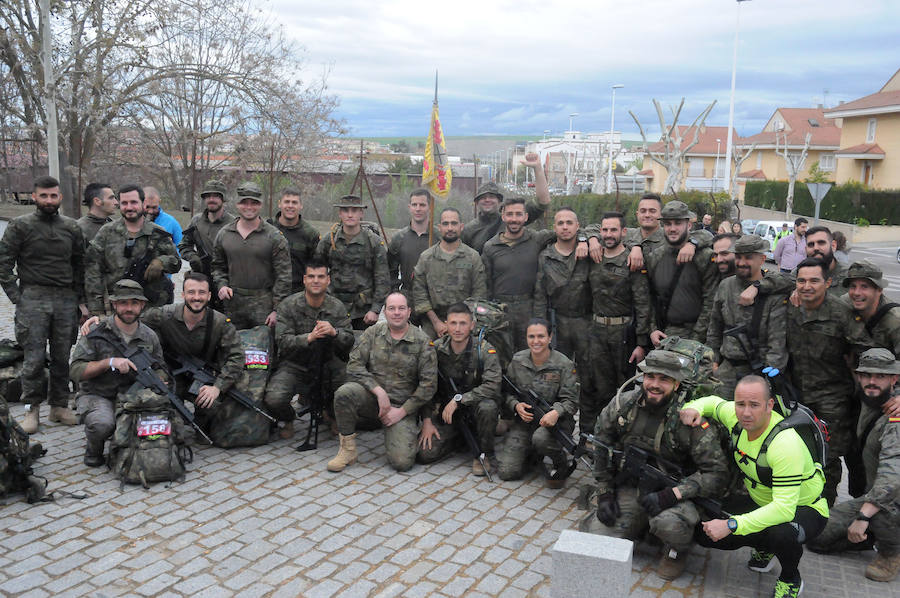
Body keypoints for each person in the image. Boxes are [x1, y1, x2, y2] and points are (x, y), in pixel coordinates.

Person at [681, 375, 828, 598]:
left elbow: (783, 509)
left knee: (781, 534)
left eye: (754, 405)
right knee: (704, 531)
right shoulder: (737, 416)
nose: (746, 413)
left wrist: (731, 524)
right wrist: (692, 407)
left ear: (769, 405)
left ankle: (790, 578)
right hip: (761, 499)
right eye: (740, 404)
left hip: (803, 508)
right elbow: (712, 402)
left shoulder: (785, 444)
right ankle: (764, 547)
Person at [591, 349, 730, 580]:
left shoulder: (690, 420)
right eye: (650, 377)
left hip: (677, 495)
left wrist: (673, 494)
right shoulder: (623, 405)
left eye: (664, 379)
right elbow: (601, 444)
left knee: (668, 525)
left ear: (676, 384)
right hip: (635, 488)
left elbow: (716, 473)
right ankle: (640, 526)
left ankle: (676, 550)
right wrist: (604, 492)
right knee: (596, 536)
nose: (655, 384)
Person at [80, 272, 244, 425]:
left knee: (215, 409)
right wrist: (100, 320)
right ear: (183, 295)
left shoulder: (220, 322)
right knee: (166, 415)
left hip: (203, 379)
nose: (196, 297)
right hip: (171, 378)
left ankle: (202, 421)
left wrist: (217, 387)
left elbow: (236, 356)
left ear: (209, 296)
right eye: (191, 292)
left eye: (201, 293)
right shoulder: (165, 315)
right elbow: (129, 315)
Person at [0, 175, 85, 433]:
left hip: (65, 300)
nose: (49, 200)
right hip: (33, 298)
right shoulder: (19, 226)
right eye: (44, 195)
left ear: (60, 197)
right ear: (34, 197)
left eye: (53, 195)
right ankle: (31, 410)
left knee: (61, 357)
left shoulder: (71, 227)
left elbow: (80, 265)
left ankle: (59, 406)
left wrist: (79, 300)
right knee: (34, 359)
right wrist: (18, 297)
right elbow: (4, 264)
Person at [807, 348, 900, 582]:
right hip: (875, 493)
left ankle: (891, 553)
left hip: (892, 493)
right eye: (866, 375)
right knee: (818, 537)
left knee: (881, 504)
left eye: (880, 376)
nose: (872, 382)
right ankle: (873, 535)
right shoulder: (868, 399)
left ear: (894, 379)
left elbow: (892, 479)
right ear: (857, 376)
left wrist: (863, 517)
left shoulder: (896, 417)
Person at [327, 293, 437, 473]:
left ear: (409, 312)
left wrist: (401, 412)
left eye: (401, 308)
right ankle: (347, 449)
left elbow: (428, 385)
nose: (396, 313)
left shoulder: (423, 342)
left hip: (403, 407)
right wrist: (378, 391)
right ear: (385, 312)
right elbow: (354, 365)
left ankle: (393, 428)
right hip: (374, 400)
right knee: (345, 393)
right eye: (391, 309)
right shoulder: (373, 333)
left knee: (402, 462)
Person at [786, 257, 860, 506]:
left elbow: (864, 348)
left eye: (814, 281)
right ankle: (799, 503)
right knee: (797, 452)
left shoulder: (841, 314)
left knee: (828, 457)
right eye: (801, 281)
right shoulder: (790, 307)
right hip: (798, 396)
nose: (807, 286)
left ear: (828, 282)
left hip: (833, 398)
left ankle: (823, 508)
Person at [70, 280, 165, 466]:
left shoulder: (149, 336)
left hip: (134, 397)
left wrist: (161, 380)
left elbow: (160, 367)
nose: (128, 308)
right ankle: (94, 450)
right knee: (102, 423)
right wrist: (108, 363)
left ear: (142, 305)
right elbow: (75, 370)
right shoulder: (97, 331)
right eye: (123, 303)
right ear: (114, 304)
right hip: (98, 395)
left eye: (134, 303)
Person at [264, 260, 354, 439]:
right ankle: (289, 418)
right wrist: (308, 338)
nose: (316, 281)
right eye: (311, 276)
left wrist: (335, 333)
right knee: (274, 398)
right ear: (304, 279)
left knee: (349, 389)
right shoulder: (288, 305)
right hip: (295, 364)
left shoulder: (336, 307)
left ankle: (332, 414)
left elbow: (349, 340)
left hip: (329, 364)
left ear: (328, 280)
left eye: (321, 277)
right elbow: (282, 341)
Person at [417, 303, 501, 476]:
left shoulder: (484, 350)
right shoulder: (436, 349)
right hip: (447, 414)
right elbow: (426, 386)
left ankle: (484, 453)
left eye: (463, 323)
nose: (457, 329)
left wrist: (460, 400)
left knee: (488, 407)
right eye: (453, 323)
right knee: (424, 454)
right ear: (446, 324)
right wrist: (427, 420)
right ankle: (459, 438)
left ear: (472, 325)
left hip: (475, 408)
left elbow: (492, 386)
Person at [584, 211, 650, 433]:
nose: (608, 234)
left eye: (613, 230)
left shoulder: (632, 259)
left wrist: (641, 343)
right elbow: (586, 230)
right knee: (600, 388)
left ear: (624, 232)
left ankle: (624, 435)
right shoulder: (594, 257)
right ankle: (602, 435)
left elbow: (643, 303)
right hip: (597, 332)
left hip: (623, 333)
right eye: (604, 230)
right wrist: (591, 238)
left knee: (625, 389)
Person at [497, 318, 578, 488]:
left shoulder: (564, 364)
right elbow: (506, 392)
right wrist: (515, 405)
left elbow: (571, 400)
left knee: (541, 438)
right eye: (531, 336)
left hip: (556, 423)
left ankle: (561, 462)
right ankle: (533, 454)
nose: (536, 341)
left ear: (550, 337)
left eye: (541, 336)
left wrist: (556, 412)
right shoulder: (518, 361)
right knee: (507, 472)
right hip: (524, 423)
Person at [706, 235, 788, 399]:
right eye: (738, 257)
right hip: (726, 370)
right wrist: (712, 361)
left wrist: (769, 379)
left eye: (748, 257)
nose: (742, 262)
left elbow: (777, 343)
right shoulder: (725, 286)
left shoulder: (773, 293)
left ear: (762, 259)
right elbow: (715, 327)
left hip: (757, 372)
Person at [85, 184, 181, 314]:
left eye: (134, 202)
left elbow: (176, 262)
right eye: (124, 203)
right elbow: (93, 273)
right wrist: (96, 311)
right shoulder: (107, 232)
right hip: (117, 309)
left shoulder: (158, 233)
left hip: (152, 310)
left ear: (143, 203)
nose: (129, 207)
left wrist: (161, 262)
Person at [533, 207, 592, 414]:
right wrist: (540, 327)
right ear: (554, 227)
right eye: (560, 223)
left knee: (588, 378)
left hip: (586, 323)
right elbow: (540, 293)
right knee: (557, 375)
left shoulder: (589, 250)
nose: (565, 227)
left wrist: (587, 239)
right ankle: (559, 422)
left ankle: (587, 430)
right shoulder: (546, 256)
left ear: (577, 226)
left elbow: (609, 232)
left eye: (569, 223)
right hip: (558, 322)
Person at [211, 181, 291, 330]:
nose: (249, 207)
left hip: (264, 306)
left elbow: (284, 277)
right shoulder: (224, 234)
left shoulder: (274, 237)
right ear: (237, 204)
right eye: (244, 202)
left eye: (254, 203)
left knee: (263, 350)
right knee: (232, 348)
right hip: (233, 303)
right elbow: (217, 266)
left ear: (260, 205)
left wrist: (276, 309)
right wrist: (222, 285)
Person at [482, 197, 555, 353]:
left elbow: (567, 232)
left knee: (530, 354)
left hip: (528, 309)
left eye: (518, 214)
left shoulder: (536, 239)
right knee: (500, 356)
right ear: (503, 216)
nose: (514, 219)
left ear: (526, 217)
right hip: (500, 311)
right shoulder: (490, 247)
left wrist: (585, 239)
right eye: (509, 214)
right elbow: (486, 285)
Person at [646, 200, 717, 345]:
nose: (672, 228)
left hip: (696, 337)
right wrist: (652, 329)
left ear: (689, 225)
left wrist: (696, 339)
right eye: (667, 224)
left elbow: (711, 301)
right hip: (663, 335)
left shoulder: (704, 256)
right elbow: (650, 297)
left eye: (678, 223)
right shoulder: (655, 257)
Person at [315, 195, 389, 330]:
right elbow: (316, 272)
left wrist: (375, 309)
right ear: (340, 213)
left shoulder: (374, 242)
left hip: (362, 310)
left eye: (354, 210)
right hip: (333, 306)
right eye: (345, 210)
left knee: (361, 347)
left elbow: (382, 278)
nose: (350, 215)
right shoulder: (329, 241)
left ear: (361, 213)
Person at [412, 207, 487, 339]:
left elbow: (479, 293)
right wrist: (436, 323)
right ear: (439, 227)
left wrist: (463, 323)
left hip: (464, 321)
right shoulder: (426, 258)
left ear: (461, 226)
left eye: (454, 223)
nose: (450, 228)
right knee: (425, 352)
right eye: (446, 224)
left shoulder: (473, 257)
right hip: (434, 321)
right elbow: (420, 294)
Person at [461, 152, 550, 253]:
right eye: (483, 197)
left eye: (491, 196)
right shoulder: (468, 230)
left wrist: (537, 168)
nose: (487, 200)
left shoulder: (512, 219)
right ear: (476, 202)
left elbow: (543, 202)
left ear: (499, 201)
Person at [387, 188, 438, 319]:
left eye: (422, 205)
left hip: (434, 298)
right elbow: (390, 270)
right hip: (408, 297)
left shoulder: (439, 237)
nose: (418, 209)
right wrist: (395, 294)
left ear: (430, 208)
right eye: (414, 205)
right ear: (409, 207)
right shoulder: (399, 238)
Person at [178, 179, 235, 287]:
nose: (211, 199)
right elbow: (183, 245)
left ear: (223, 199)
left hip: (226, 280)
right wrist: (193, 256)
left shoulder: (234, 224)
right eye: (208, 196)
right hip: (201, 278)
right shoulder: (196, 221)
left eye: (216, 196)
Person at [266, 186, 320, 294]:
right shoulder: (267, 229)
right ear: (280, 204)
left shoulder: (310, 234)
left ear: (301, 206)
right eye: (287, 202)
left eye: (294, 202)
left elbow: (316, 268)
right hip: (269, 292)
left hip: (298, 294)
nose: (290, 206)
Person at [844, 260, 900, 354]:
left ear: (879, 290)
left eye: (864, 287)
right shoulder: (844, 305)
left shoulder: (895, 321)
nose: (857, 293)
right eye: (853, 286)